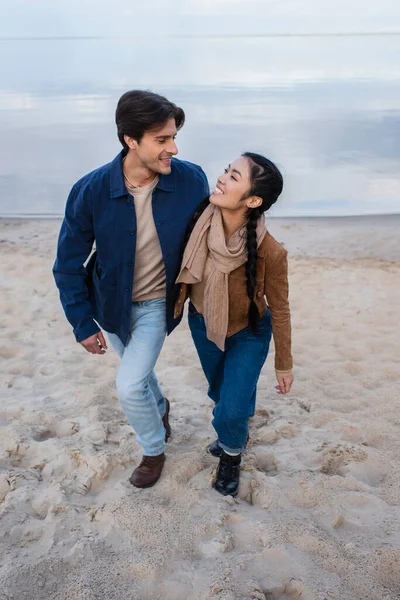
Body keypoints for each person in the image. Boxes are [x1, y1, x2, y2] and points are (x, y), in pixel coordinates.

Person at [53, 90, 209, 489]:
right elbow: (68, 264)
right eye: (162, 139)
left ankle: (153, 450)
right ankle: (161, 407)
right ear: (130, 140)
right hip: (111, 306)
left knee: (128, 384)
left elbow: (212, 236)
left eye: (174, 136)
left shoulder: (191, 180)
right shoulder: (90, 190)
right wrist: (81, 322)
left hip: (159, 304)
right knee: (138, 376)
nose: (173, 148)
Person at [175, 152, 294, 497]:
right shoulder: (197, 220)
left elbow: (281, 308)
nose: (223, 177)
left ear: (253, 200)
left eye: (234, 176)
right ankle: (233, 427)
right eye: (226, 170)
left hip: (249, 332)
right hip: (202, 324)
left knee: (233, 407)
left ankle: (231, 453)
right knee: (219, 394)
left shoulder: (270, 251)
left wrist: (283, 362)